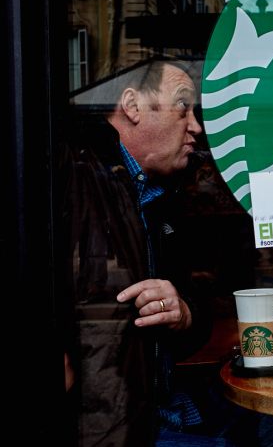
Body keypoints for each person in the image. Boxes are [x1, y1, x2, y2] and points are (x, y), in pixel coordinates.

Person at [61, 59, 213, 446]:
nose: (195, 126)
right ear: (132, 106)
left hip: (169, 408)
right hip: (124, 428)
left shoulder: (158, 195)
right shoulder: (76, 176)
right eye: (182, 107)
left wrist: (183, 310)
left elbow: (193, 307)